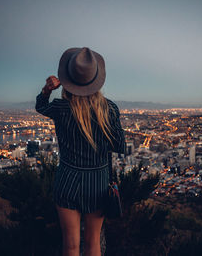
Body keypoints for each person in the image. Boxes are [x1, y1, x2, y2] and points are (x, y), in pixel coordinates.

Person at [35, 47, 126, 256]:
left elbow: (41, 106)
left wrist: (47, 89)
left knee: (70, 245)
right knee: (93, 243)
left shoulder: (60, 107)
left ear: (67, 80)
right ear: (96, 79)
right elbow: (119, 145)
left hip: (67, 179)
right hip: (98, 181)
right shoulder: (109, 109)